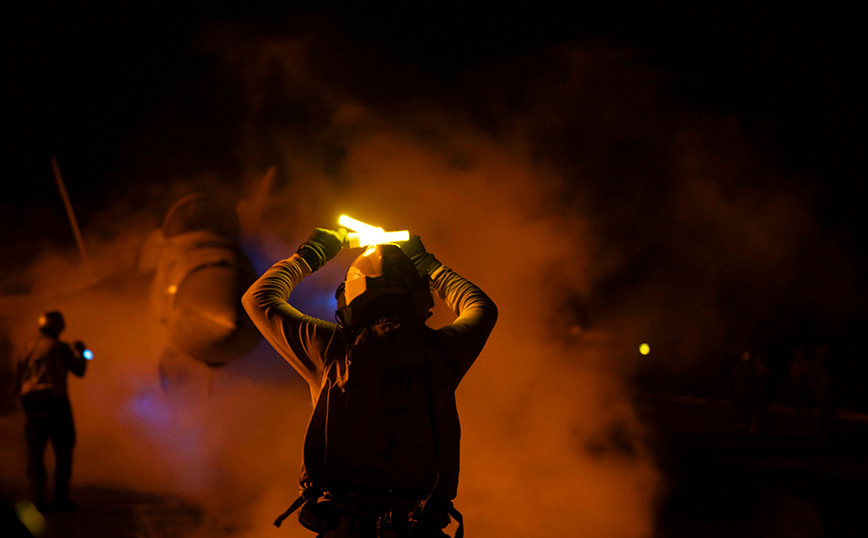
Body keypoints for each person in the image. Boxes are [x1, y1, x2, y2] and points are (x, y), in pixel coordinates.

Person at [242, 228, 497, 537]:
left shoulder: (331, 349)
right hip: (420, 529)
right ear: (419, 295)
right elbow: (482, 307)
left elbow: (258, 298)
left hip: (344, 528)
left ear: (350, 296)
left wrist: (312, 253)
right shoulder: (443, 352)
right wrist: (427, 263)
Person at [15, 311, 87, 511]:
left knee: (35, 453)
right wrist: (82, 352)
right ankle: (60, 499)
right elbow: (79, 371)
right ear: (59, 327)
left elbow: (18, 375)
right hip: (55, 402)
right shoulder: (60, 347)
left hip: (30, 402)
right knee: (64, 450)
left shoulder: (26, 346)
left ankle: (38, 500)